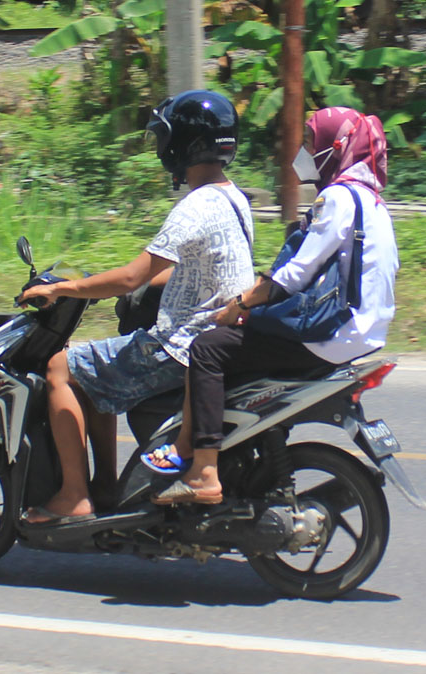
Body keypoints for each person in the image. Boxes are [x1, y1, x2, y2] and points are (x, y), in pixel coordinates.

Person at [17, 90, 255, 525]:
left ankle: (75, 495)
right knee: (95, 370)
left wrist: (65, 289)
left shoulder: (194, 207)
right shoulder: (234, 199)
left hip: (180, 346)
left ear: (181, 142)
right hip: (216, 336)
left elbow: (132, 276)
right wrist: (120, 287)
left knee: (59, 368)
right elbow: (199, 269)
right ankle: (106, 486)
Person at [144, 106, 398, 505]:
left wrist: (240, 304)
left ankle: (203, 471)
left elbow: (296, 273)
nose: (304, 152)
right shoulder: (373, 201)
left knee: (208, 348)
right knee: (245, 344)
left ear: (338, 146)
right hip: (365, 333)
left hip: (333, 334)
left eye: (312, 143)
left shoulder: (337, 198)